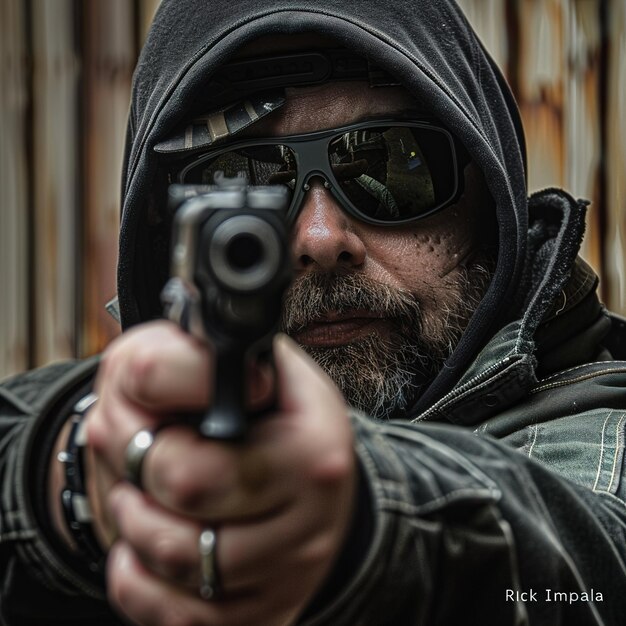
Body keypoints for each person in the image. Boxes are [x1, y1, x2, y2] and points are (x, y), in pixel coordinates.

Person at [1, 0, 625, 624]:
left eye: (392, 163)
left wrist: (365, 528)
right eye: (246, 185)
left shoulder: (603, 445)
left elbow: (587, 570)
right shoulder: (128, 442)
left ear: (489, 209)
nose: (322, 240)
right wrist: (70, 476)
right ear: (166, 248)